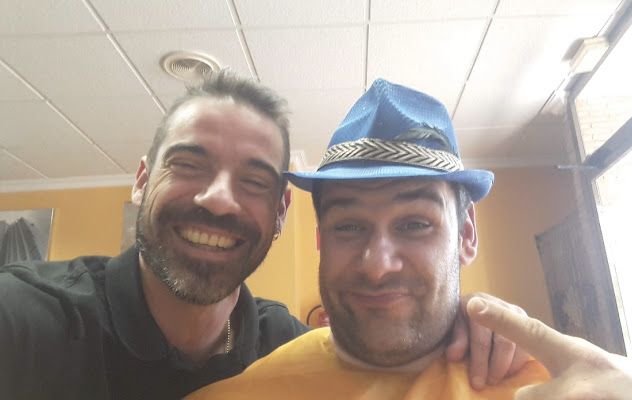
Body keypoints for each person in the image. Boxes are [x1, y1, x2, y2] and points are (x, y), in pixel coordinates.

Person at [0, 72, 523, 399]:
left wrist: (465, 319)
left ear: (280, 212)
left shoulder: (288, 347)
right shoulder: (23, 320)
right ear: (141, 181)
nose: (218, 199)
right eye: (189, 164)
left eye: (254, 181)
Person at [187, 79, 632, 400]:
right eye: (349, 226)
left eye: (415, 224)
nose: (377, 264)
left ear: (466, 234)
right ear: (320, 238)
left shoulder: (554, 386)